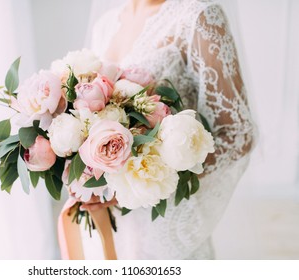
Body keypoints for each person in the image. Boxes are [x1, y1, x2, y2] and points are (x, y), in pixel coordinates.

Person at [79, 0, 255, 259]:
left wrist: (149, 176)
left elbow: (239, 134)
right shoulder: (105, 25)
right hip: (108, 220)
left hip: (166, 223)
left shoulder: (198, 18)